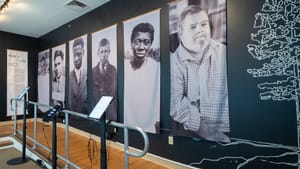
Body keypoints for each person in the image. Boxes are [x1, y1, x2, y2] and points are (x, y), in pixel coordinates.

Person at [170, 5, 230, 143]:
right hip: (192, 136)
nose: (200, 30)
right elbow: (176, 104)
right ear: (181, 31)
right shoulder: (175, 62)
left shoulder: (224, 52)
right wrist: (211, 134)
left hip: (229, 129)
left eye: (204, 24)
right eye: (193, 27)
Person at [124, 22, 160, 134]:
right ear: (131, 43)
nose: (141, 47)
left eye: (146, 42)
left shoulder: (155, 68)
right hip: (128, 125)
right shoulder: (123, 68)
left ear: (151, 44)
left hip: (150, 127)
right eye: (137, 42)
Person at [92, 38, 117, 121]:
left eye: (106, 51)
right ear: (98, 53)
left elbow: (114, 91)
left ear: (109, 51)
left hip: (110, 111)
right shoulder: (93, 71)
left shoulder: (113, 70)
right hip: (97, 110)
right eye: (102, 52)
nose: (104, 54)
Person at [69, 37, 88, 114]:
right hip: (72, 118)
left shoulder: (89, 74)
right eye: (74, 55)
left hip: (85, 118)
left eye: (79, 54)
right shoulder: (69, 76)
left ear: (83, 52)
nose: (76, 59)